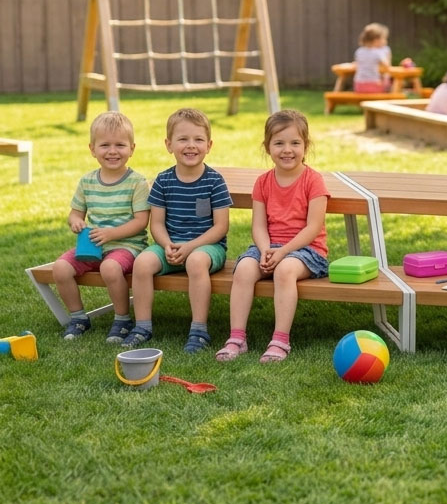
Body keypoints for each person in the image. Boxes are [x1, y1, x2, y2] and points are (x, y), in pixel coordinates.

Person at [216, 110, 329, 364]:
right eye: (279, 143)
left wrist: (283, 252)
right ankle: (236, 338)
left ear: (306, 145)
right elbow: (258, 226)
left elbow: (313, 228)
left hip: (307, 250)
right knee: (244, 269)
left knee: (284, 270)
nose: (287, 150)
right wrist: (266, 249)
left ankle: (280, 340)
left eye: (295, 143)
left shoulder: (314, 181)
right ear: (267, 147)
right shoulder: (263, 182)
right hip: (269, 246)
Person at [123, 108, 232, 353]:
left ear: (209, 145)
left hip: (207, 247)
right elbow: (157, 223)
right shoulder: (163, 181)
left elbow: (221, 227)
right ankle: (142, 327)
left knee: (195, 261)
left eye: (198, 139)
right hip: (169, 246)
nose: (191, 145)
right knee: (142, 263)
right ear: (169, 145)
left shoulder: (214, 181)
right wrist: (166, 245)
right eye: (183, 139)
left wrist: (190, 247)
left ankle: (199, 330)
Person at [53, 112, 150, 341]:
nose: (112, 151)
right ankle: (78, 317)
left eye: (120, 145)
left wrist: (111, 234)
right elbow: (75, 213)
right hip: (93, 246)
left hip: (128, 246)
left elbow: (141, 221)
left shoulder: (136, 182)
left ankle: (122, 319)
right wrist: (76, 221)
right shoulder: (87, 181)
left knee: (110, 268)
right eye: (105, 145)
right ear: (92, 149)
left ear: (132, 149)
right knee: (60, 268)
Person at [352, 22, 392, 93]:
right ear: (376, 40)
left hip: (359, 86)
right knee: (387, 81)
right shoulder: (378, 52)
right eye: (384, 39)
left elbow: (356, 66)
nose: (385, 41)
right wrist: (388, 55)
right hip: (374, 86)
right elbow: (387, 66)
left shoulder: (359, 51)